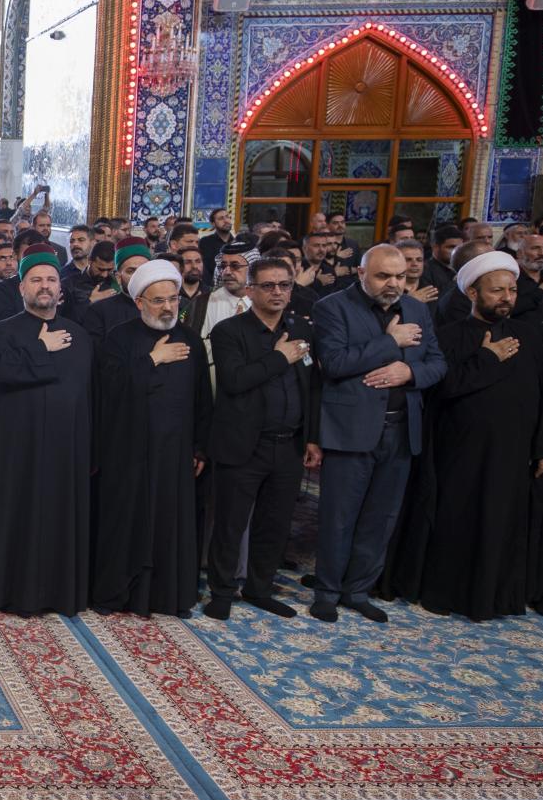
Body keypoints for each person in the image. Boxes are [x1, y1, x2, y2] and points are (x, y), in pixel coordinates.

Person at [310, 244, 446, 622]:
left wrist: (410, 373)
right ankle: (327, 591)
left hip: (401, 430)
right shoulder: (332, 307)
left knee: (380, 517)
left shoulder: (417, 309)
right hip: (350, 430)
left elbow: (438, 363)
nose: (394, 284)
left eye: (400, 276)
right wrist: (391, 342)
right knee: (339, 517)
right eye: (384, 276)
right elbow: (334, 364)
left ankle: (357, 590)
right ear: (361, 273)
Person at [417, 251, 543, 621]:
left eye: (512, 290)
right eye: (497, 291)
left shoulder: (529, 335)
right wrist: (487, 359)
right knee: (459, 520)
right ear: (473, 294)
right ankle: (447, 592)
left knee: (503, 523)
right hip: (462, 450)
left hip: (514, 451)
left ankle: (497, 597)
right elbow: (443, 388)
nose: (506, 298)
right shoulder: (450, 336)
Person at [91, 258, 212, 617]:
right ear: (139, 302)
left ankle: (166, 597)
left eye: (173, 299)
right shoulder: (119, 339)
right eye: (158, 301)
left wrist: (200, 447)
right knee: (127, 523)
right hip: (128, 452)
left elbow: (202, 399)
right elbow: (108, 391)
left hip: (174, 453)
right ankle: (118, 594)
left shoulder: (190, 340)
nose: (168, 307)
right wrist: (152, 359)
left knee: (169, 525)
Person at [205, 256, 320, 619]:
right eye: (268, 285)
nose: (277, 292)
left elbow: (312, 386)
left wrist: (312, 438)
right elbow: (235, 381)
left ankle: (260, 588)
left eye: (284, 285)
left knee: (275, 523)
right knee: (231, 523)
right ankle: (222, 591)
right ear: (250, 290)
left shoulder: (301, 329)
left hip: (289, 444)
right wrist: (279, 357)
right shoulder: (229, 332)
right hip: (243, 444)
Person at [0, 249, 91, 615]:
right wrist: (40, 347)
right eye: (36, 280)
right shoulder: (3, 331)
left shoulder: (79, 334)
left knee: (61, 520)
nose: (44, 286)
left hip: (66, 449)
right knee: (18, 517)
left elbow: (88, 395)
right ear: (22, 288)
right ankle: (13, 593)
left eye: (51, 280)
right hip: (19, 447)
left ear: (60, 289)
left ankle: (60, 594)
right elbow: (2, 373)